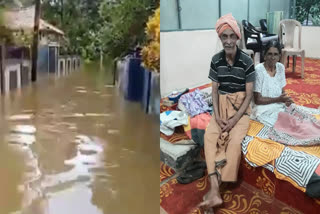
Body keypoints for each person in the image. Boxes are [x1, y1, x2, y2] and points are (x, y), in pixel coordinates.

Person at [198, 13, 255, 213]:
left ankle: (216, 191)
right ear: (220, 38)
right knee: (210, 136)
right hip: (221, 105)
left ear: (238, 37)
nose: (229, 41)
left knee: (234, 142)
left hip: (240, 108)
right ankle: (214, 189)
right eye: (224, 37)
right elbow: (214, 90)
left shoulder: (247, 61)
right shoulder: (215, 60)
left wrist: (234, 120)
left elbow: (249, 96)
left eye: (232, 36)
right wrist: (217, 114)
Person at [251, 40, 293, 127]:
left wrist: (286, 99)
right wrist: (278, 99)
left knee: (297, 116)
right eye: (269, 54)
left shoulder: (280, 67)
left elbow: (282, 91)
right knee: (283, 126)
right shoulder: (259, 70)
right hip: (263, 108)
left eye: (275, 54)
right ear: (265, 56)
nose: (272, 57)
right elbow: (257, 100)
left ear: (279, 56)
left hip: (279, 104)